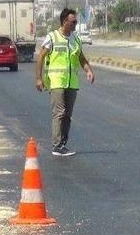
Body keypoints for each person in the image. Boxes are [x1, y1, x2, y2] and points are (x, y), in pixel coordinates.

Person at [35, 8, 95, 157]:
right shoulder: (52, 37)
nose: (75, 24)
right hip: (56, 82)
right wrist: (38, 78)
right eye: (73, 22)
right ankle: (56, 146)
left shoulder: (75, 39)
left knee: (68, 115)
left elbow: (81, 58)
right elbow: (41, 56)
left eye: (76, 22)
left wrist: (88, 70)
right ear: (64, 21)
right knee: (59, 113)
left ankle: (63, 144)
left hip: (72, 83)